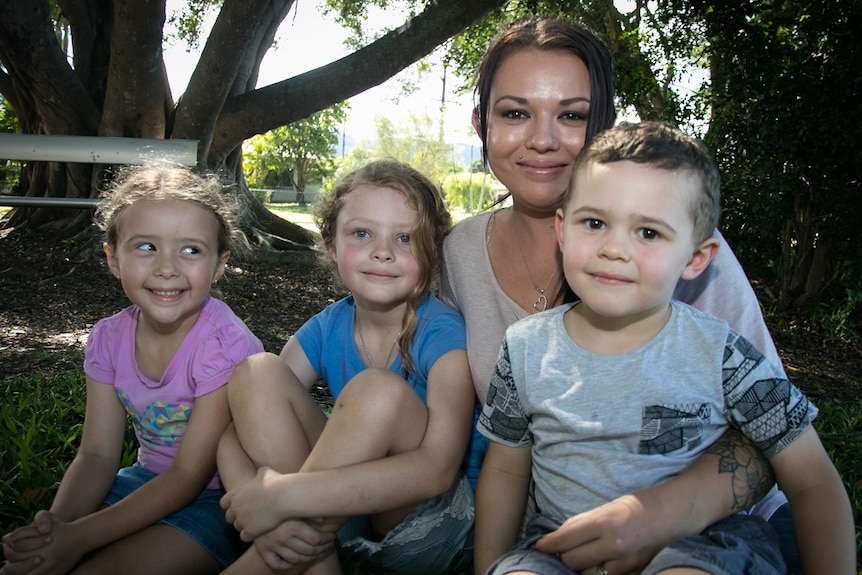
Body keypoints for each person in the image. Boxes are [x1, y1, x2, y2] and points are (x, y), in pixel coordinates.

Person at [441, 16, 800, 574]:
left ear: (603, 126)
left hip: (713, 537)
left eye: (573, 115)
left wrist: (655, 515)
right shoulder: (459, 253)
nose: (542, 138)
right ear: (481, 122)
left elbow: (772, 433)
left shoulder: (679, 254)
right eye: (514, 113)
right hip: (561, 536)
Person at [473, 120, 855, 575]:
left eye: (648, 233)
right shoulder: (524, 347)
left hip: (703, 546)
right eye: (594, 222)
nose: (614, 248)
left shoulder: (723, 355)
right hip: (559, 542)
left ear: (696, 258)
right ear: (562, 229)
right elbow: (505, 471)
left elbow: (813, 480)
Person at [0, 164, 264, 575]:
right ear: (113, 258)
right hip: (141, 482)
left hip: (218, 501)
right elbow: (96, 455)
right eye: (146, 247)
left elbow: (189, 474)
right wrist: (57, 528)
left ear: (219, 264)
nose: (167, 268)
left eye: (191, 250)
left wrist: (82, 538)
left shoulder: (223, 344)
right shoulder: (108, 339)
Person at [216, 159, 476, 575]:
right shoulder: (328, 326)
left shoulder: (444, 334)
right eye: (361, 233)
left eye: (406, 237)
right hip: (343, 513)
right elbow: (239, 428)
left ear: (433, 251)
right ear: (332, 245)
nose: (383, 251)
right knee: (256, 372)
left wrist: (282, 497)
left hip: (426, 525)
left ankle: (271, 560)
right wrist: (251, 493)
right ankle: (309, 556)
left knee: (377, 390)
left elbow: (437, 471)